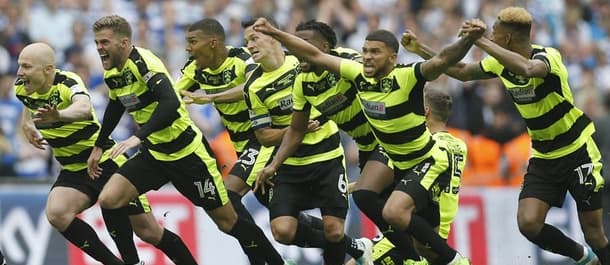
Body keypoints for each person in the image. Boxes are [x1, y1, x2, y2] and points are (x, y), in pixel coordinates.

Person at [252, 17, 482, 265]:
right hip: (369, 148)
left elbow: (439, 63)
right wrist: (274, 165)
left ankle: (429, 258)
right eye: (366, 51)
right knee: (406, 227)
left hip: (390, 146)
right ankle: (413, 254)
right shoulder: (311, 81)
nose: (368, 57)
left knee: (367, 197)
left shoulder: (362, 67)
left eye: (302, 45)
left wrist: (466, 38)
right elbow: (296, 129)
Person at [404, 6, 609, 265]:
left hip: (577, 151)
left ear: (508, 38)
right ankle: (583, 257)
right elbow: (462, 72)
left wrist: (479, 41)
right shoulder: (499, 63)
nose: (490, 35)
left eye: (494, 32)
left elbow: (527, 69)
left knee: (594, 232)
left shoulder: (549, 56)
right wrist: (420, 49)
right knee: (529, 223)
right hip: (544, 156)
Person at [87, 15, 285, 265]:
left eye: (104, 42)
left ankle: (276, 262)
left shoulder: (145, 63)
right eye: (96, 43)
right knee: (109, 199)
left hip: (188, 155)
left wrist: (137, 137)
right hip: (155, 154)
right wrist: (99, 145)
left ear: (124, 42)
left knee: (228, 222)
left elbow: (170, 103)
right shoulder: (113, 74)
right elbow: (116, 104)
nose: (99, 48)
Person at [15, 42, 179, 265]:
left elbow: (83, 107)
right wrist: (26, 124)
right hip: (73, 169)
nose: (20, 72)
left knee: (148, 231)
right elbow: (28, 100)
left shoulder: (67, 82)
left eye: (26, 66)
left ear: (48, 69)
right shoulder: (22, 86)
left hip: (104, 161)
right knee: (57, 213)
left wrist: (59, 115)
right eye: (19, 66)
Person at [238, 17, 352, 265]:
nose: (250, 46)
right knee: (283, 231)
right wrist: (295, 129)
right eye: (246, 42)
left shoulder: (303, 62)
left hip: (327, 157)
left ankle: (342, 246)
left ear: (274, 38)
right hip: (291, 164)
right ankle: (352, 247)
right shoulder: (253, 87)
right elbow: (263, 136)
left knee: (333, 230)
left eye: (254, 38)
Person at [346, 87, 467, 265]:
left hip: (411, 231)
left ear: (425, 111)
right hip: (434, 232)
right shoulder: (458, 145)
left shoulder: (425, 147)